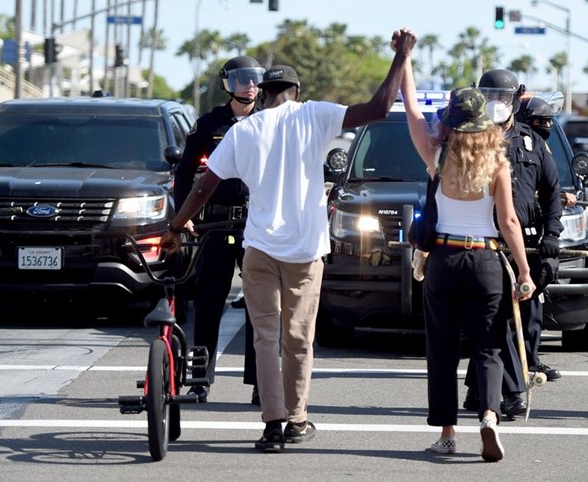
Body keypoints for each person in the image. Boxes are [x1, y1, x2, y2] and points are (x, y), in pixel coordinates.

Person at [161, 27, 418, 453]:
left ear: (261, 94)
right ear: (296, 90)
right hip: (304, 251)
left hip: (259, 248)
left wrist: (175, 229)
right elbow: (378, 107)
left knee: (264, 337)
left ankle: (272, 424)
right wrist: (401, 56)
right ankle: (296, 419)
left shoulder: (244, 131)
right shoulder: (314, 114)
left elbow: (202, 187)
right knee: (297, 338)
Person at [400, 59, 535, 461]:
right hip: (486, 261)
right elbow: (509, 221)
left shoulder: (438, 156)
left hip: (443, 257)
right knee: (488, 346)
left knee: (441, 348)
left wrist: (406, 59)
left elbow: (410, 107)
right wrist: (524, 272)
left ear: (450, 123)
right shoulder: (498, 163)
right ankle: (489, 416)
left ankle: (446, 433)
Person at [464, 69, 564, 418]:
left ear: (516, 100)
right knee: (499, 319)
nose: (497, 104)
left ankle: (479, 391)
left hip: (525, 244)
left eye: (504, 98)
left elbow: (552, 193)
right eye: (490, 96)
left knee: (512, 318)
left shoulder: (533, 142)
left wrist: (552, 236)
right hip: (483, 244)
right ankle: (511, 390)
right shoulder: (470, 141)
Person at [173, 55, 265, 404]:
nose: (249, 85)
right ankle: (200, 379)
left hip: (257, 223)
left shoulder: (268, 120)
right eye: (241, 79)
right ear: (228, 83)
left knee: (261, 304)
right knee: (209, 301)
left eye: (254, 79)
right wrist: (185, 216)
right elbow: (183, 174)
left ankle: (261, 382)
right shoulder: (209, 123)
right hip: (216, 222)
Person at [516, 97, 577, 209]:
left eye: (549, 122)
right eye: (541, 122)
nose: (547, 126)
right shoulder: (512, 147)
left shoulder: (544, 148)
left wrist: (560, 193)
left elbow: (547, 181)